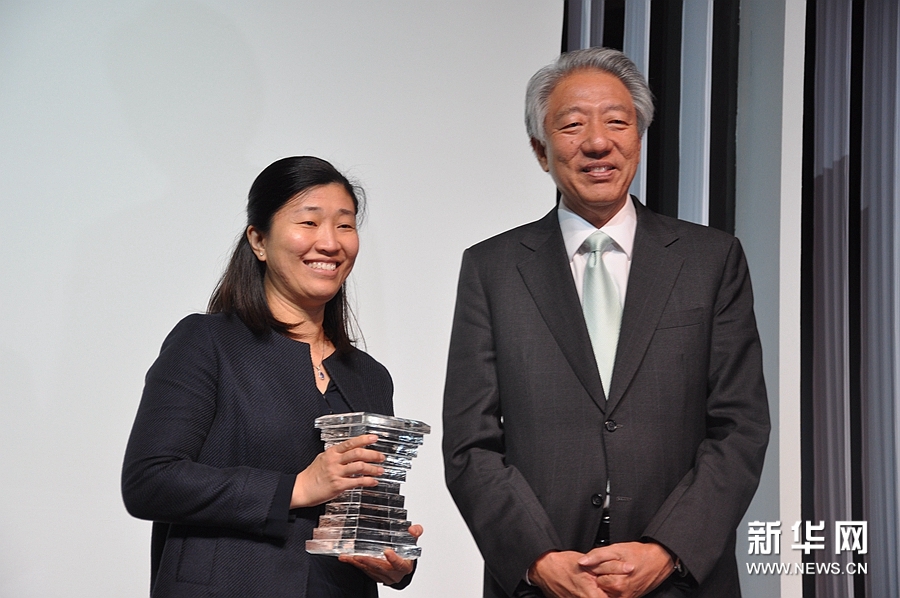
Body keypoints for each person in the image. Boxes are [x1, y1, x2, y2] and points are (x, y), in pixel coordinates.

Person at [442, 48, 770, 598]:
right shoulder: (492, 268)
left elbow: (740, 425)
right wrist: (537, 560)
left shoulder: (711, 260)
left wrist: (667, 550)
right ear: (540, 150)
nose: (597, 142)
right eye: (572, 125)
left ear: (638, 138)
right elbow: (469, 442)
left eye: (617, 122)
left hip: (680, 580)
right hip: (544, 581)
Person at [122, 156, 421, 598]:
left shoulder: (370, 376)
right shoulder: (207, 342)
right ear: (258, 240)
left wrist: (391, 559)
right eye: (309, 222)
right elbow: (149, 481)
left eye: (344, 225)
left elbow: (361, 510)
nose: (329, 243)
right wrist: (296, 488)